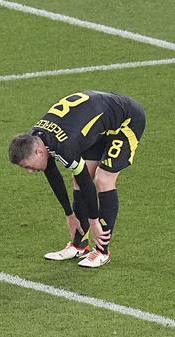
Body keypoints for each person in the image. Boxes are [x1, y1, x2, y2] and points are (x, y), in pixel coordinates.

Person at [9, 90, 147, 269]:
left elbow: (85, 181)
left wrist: (94, 220)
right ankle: (79, 245)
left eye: (27, 166)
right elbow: (52, 173)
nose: (29, 171)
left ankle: (102, 251)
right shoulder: (39, 137)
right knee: (79, 179)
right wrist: (69, 214)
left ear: (38, 152)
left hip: (125, 121)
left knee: (103, 179)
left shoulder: (63, 145)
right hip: (99, 127)